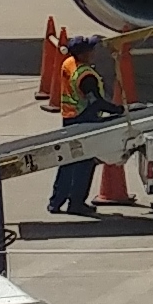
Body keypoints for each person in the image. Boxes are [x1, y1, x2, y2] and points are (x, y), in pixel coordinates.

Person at [47, 65, 120, 215]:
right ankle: (76, 203)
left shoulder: (69, 64)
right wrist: (119, 110)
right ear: (85, 54)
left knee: (67, 162)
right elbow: (97, 102)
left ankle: (56, 202)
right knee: (84, 163)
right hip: (84, 121)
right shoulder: (86, 76)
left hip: (69, 119)